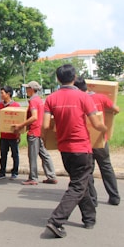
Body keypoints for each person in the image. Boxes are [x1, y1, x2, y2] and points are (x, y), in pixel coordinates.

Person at [42, 64, 107, 238]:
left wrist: (44, 138)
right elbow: (95, 123)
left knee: (80, 182)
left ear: (58, 79)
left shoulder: (50, 99)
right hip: (82, 148)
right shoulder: (83, 97)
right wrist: (104, 128)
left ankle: (89, 218)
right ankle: (56, 220)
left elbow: (46, 126)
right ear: (74, 77)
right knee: (78, 185)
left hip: (65, 149)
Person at [74, 77, 121, 206]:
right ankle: (114, 197)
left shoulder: (77, 100)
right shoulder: (101, 98)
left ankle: (92, 200)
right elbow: (116, 109)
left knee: (88, 171)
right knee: (106, 167)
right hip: (101, 139)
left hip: (85, 141)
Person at [12, 81, 57, 185]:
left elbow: (34, 117)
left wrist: (20, 125)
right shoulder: (39, 100)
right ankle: (51, 175)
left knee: (33, 155)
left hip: (34, 131)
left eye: (27, 88)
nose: (26, 90)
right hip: (40, 130)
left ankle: (33, 177)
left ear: (31, 89)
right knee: (44, 154)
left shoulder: (33, 101)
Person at [0, 86, 21, 180]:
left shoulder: (16, 105)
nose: (1, 95)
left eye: (2, 93)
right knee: (3, 155)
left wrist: (19, 134)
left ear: (8, 94)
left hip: (13, 135)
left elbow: (19, 120)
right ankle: (2, 172)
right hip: (4, 135)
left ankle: (15, 172)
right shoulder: (1, 105)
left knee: (15, 154)